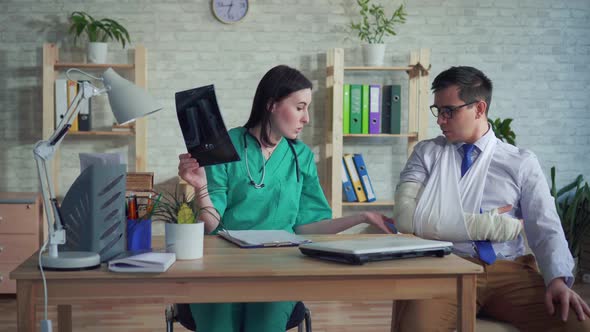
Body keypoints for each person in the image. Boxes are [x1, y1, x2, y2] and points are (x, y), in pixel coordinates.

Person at [178, 64, 393, 332]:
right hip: (221, 264)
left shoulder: (300, 156)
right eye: (300, 107)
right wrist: (200, 188)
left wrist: (363, 217)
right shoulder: (227, 145)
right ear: (271, 104)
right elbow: (211, 223)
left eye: (307, 108)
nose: (307, 119)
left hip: (278, 266)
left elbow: (306, 226)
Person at [391, 66, 590, 331]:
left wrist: (557, 279)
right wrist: (484, 223)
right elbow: (406, 217)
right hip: (445, 268)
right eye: (438, 111)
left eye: (449, 110)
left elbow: (545, 225)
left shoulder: (520, 162)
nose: (440, 120)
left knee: (578, 324)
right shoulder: (426, 154)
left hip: (508, 270)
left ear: (479, 108)